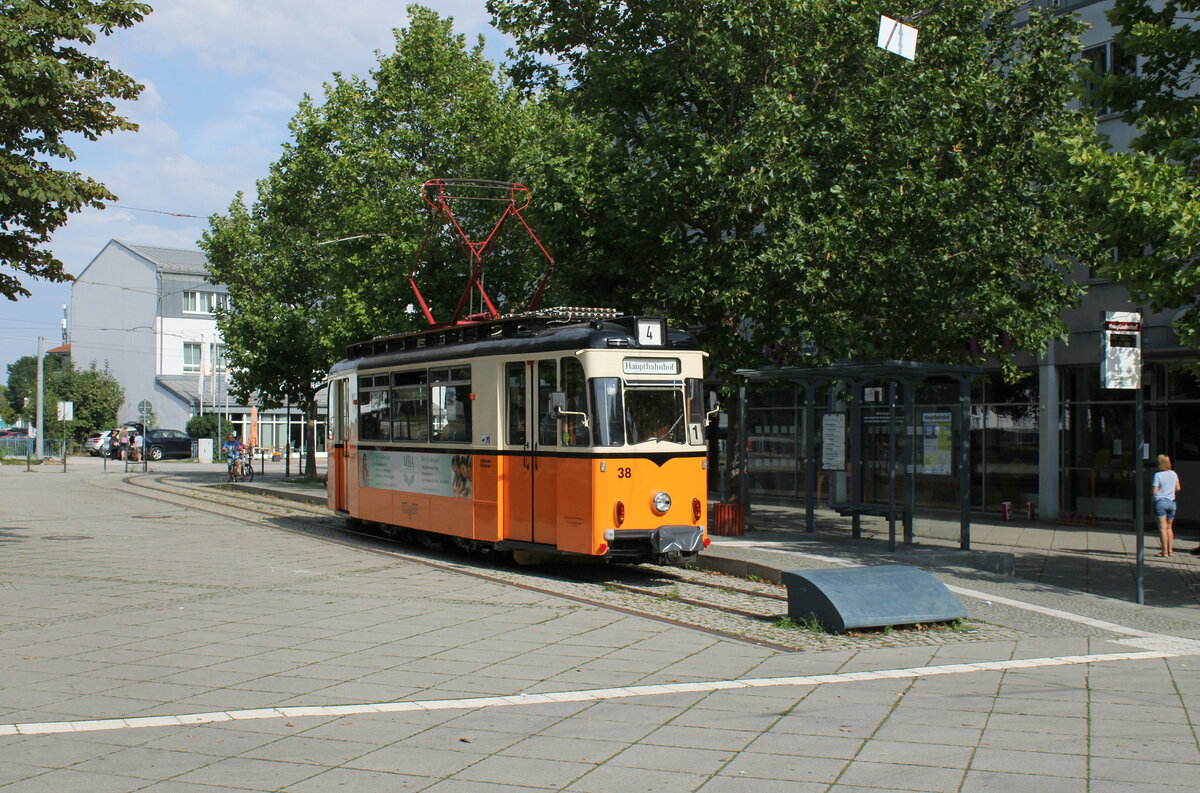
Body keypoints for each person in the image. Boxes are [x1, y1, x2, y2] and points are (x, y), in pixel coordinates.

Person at [1152, 454, 1181, 557]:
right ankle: (1170, 551)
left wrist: (1159, 492)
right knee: (1169, 528)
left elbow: (1154, 491)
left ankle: (1164, 551)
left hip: (1161, 502)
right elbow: (1178, 488)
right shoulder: (1173, 474)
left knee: (1162, 528)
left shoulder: (1158, 475)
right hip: (1172, 502)